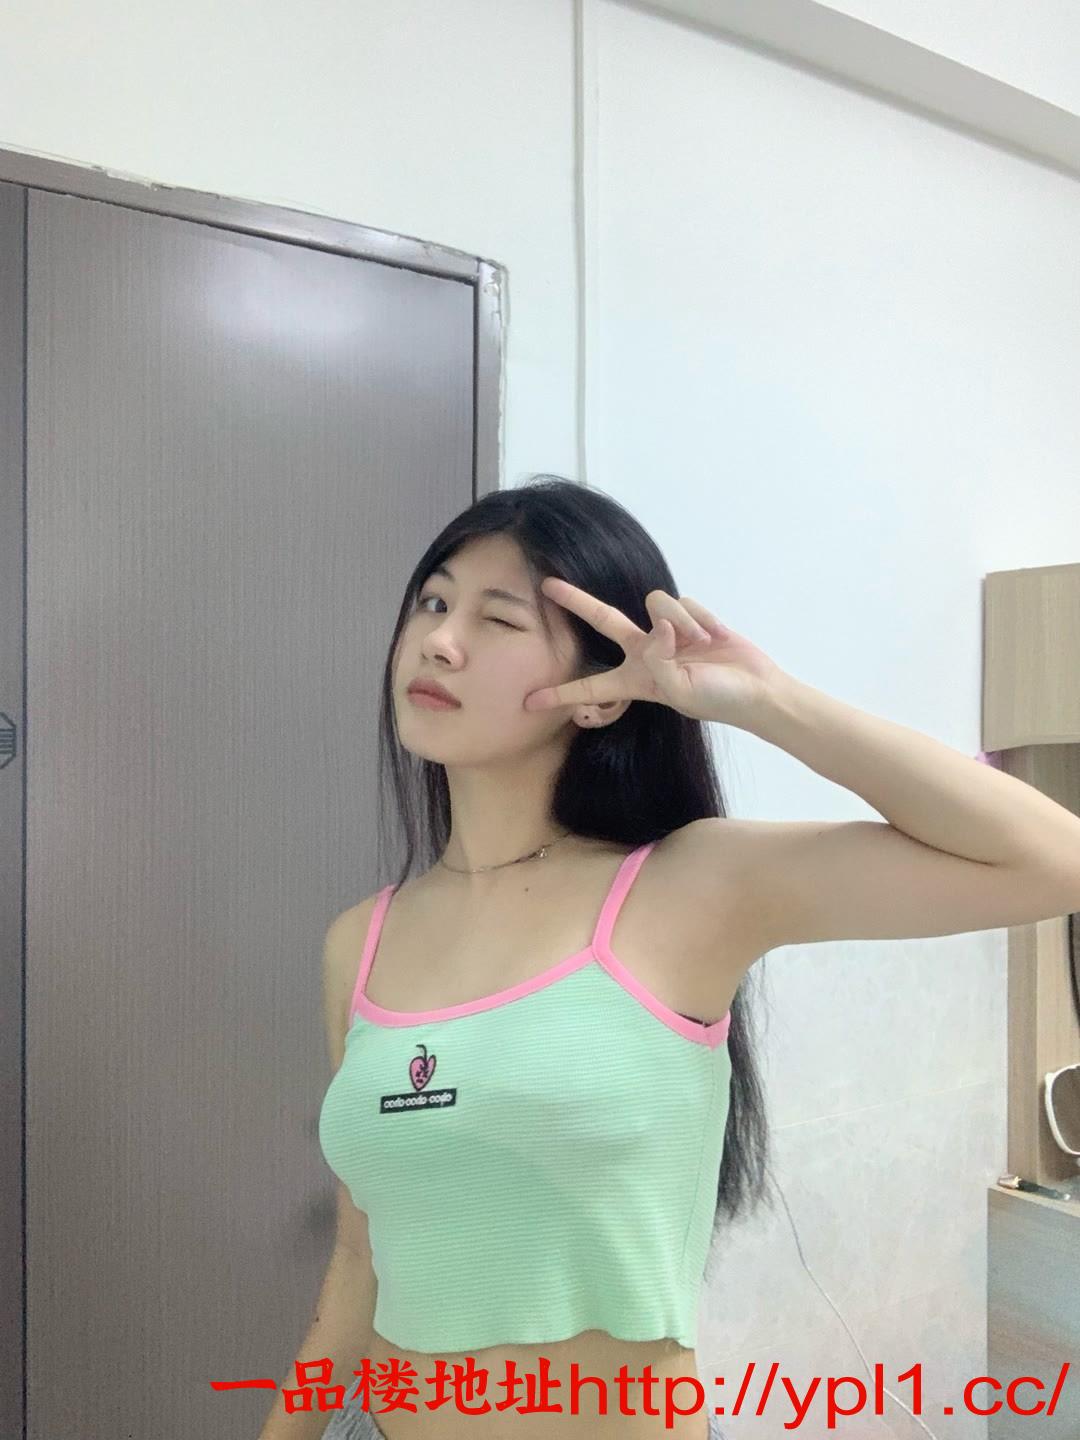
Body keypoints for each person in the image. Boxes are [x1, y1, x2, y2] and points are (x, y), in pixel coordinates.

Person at [261, 476, 774, 1440]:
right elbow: (359, 1261)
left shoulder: (684, 889)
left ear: (598, 690)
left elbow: (1043, 859)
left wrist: (766, 702)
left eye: (497, 619)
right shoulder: (358, 942)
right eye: (433, 602)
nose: (439, 641)